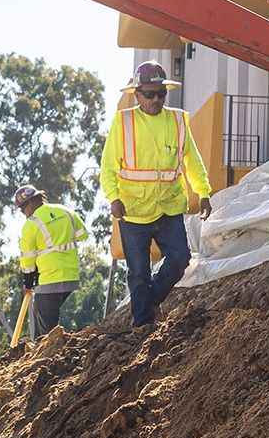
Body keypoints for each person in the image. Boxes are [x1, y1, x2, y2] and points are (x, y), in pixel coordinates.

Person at [100, 61, 212, 329]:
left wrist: (203, 191)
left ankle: (150, 300)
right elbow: (108, 167)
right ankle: (143, 326)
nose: (156, 99)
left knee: (180, 258)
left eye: (161, 93)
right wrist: (113, 198)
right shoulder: (123, 122)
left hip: (169, 208)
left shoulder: (177, 120)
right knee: (138, 273)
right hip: (133, 211)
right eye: (149, 94)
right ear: (137, 94)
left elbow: (192, 160)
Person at [13, 184, 89, 337]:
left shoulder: (31, 225)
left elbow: (27, 262)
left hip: (49, 279)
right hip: (71, 275)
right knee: (38, 314)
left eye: (23, 209)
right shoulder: (67, 211)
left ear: (31, 203)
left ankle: (47, 356)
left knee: (47, 333)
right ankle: (39, 352)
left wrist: (28, 284)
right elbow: (82, 234)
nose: (24, 213)